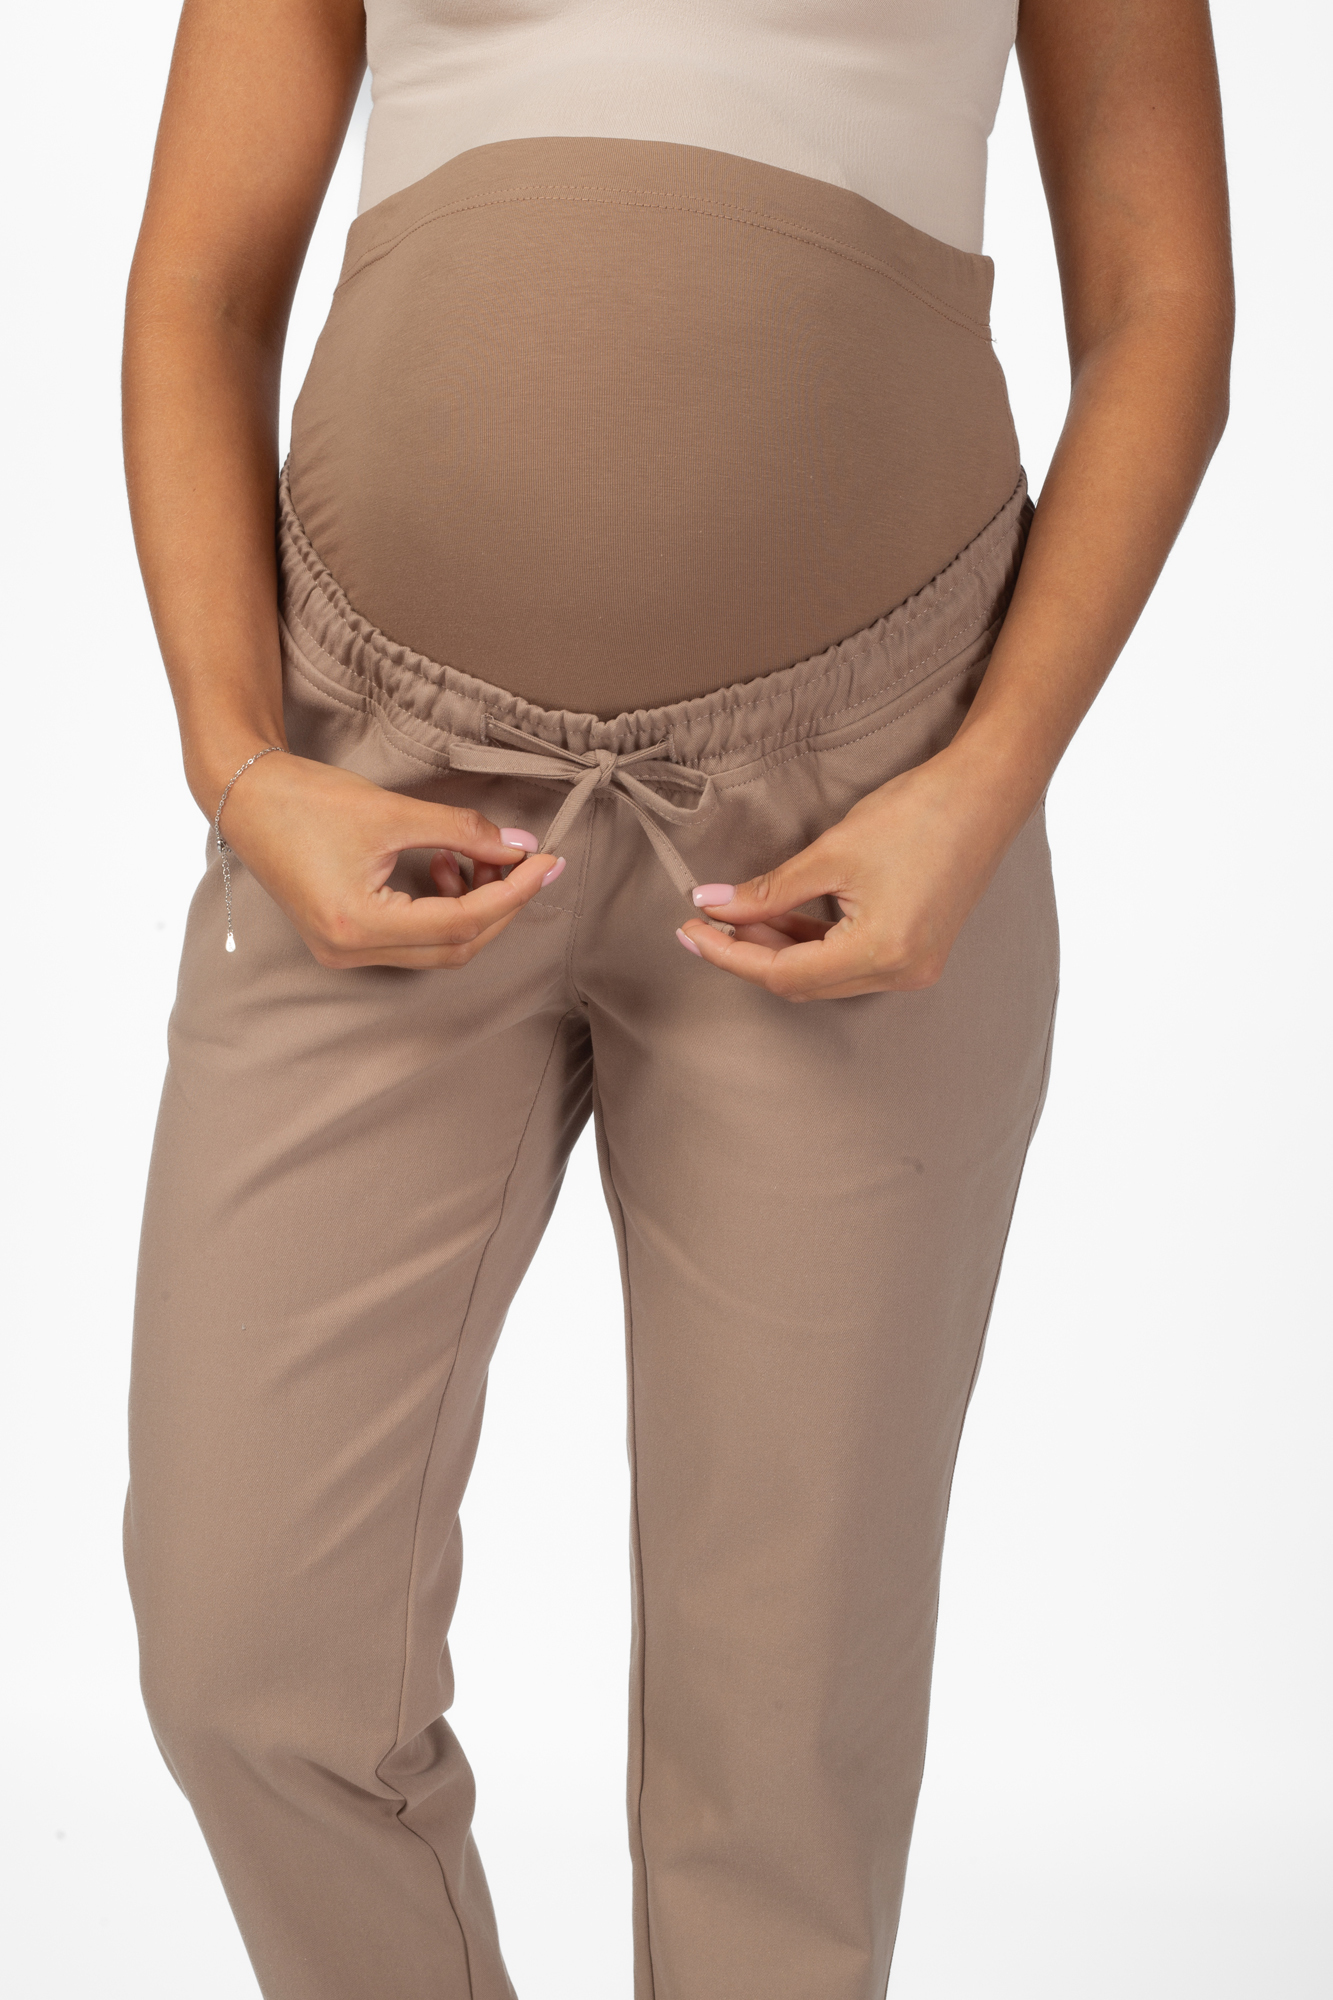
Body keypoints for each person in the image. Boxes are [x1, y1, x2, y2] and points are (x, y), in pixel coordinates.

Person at [120, 3, 1233, 1995]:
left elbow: (1159, 307)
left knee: (779, 1745)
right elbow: (202, 276)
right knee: (246, 1657)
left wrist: (979, 790)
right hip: (371, 788)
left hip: (862, 811)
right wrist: (240, 763)